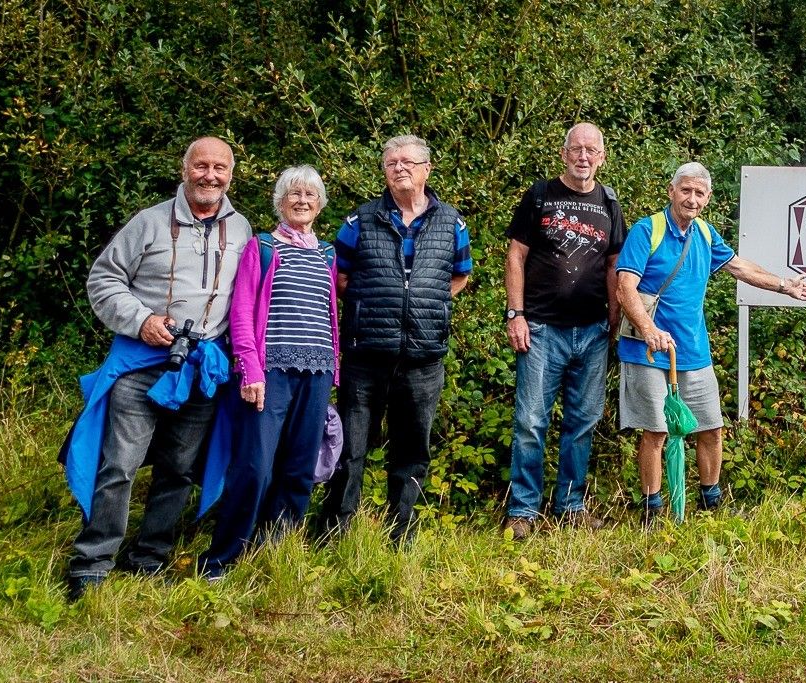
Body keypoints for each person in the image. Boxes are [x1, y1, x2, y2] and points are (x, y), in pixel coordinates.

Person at [64, 137, 252, 600]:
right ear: (184, 169)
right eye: (201, 165)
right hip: (142, 364)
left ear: (231, 174)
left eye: (220, 167)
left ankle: (149, 558)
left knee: (179, 469)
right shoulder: (148, 222)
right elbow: (103, 279)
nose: (210, 175)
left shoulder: (243, 228)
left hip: (203, 369)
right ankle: (92, 563)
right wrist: (141, 320)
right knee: (120, 466)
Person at [618, 162, 806, 522]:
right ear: (671, 191)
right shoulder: (648, 230)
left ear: (708, 198)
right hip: (647, 349)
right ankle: (652, 513)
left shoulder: (705, 235)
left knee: (710, 427)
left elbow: (741, 268)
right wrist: (648, 329)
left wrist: (785, 285)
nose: (691, 199)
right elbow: (624, 287)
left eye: (699, 193)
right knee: (657, 432)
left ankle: (711, 505)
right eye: (686, 190)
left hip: (692, 350)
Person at [315, 135, 472, 543]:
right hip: (365, 354)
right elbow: (340, 277)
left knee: (412, 451)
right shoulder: (359, 221)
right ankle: (334, 531)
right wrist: (377, 304)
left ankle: (400, 532)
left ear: (426, 169)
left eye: (407, 161)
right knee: (350, 448)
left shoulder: (451, 222)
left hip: (423, 356)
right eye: (391, 163)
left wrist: (425, 303)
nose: (399, 168)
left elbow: (459, 275)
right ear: (383, 172)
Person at [197, 165, 339, 579]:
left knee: (299, 468)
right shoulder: (262, 248)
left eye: (310, 195)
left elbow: (330, 317)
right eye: (294, 194)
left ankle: (275, 552)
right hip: (269, 372)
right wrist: (250, 370)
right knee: (254, 468)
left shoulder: (326, 253)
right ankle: (221, 559)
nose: (302, 200)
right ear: (280, 202)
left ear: (320, 204)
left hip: (317, 372)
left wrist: (334, 373)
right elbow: (241, 313)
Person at [501, 123, 626, 539]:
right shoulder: (540, 196)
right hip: (540, 328)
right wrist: (514, 313)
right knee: (531, 421)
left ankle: (570, 505)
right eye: (577, 149)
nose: (583, 157)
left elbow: (614, 264)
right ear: (563, 154)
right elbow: (516, 255)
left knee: (582, 422)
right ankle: (522, 510)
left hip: (592, 331)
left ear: (602, 157)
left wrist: (615, 316)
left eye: (592, 150)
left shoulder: (609, 202)